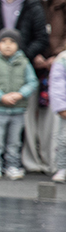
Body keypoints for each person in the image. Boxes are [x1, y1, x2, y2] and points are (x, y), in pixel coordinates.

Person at [25, 0, 66, 173]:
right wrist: (34, 55)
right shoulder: (26, 0)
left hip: (57, 65)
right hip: (31, 62)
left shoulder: (61, 2)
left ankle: (53, 161)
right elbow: (21, 32)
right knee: (29, 114)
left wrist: (57, 56)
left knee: (53, 115)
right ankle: (32, 161)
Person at [0, 28, 37, 181]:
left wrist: (20, 94)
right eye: (3, 42)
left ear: (18, 45)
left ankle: (12, 165)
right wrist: (1, 96)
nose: (8, 45)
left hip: (17, 110)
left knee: (14, 141)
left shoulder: (24, 62)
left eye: (12, 42)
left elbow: (32, 82)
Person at [48, 55, 66, 183]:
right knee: (63, 140)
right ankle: (62, 167)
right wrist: (61, 107)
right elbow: (57, 84)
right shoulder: (62, 60)